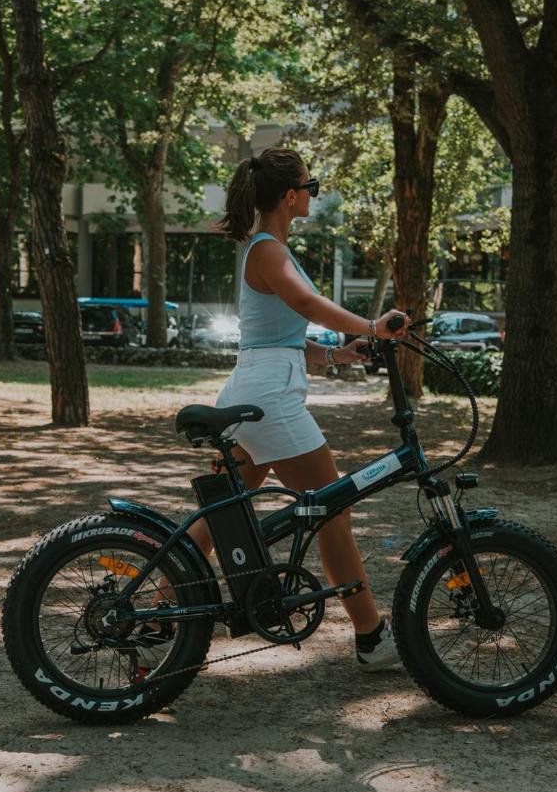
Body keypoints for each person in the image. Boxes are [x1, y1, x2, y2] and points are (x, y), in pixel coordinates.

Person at [144, 147, 410, 671]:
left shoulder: (268, 248)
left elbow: (281, 338)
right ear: (290, 197)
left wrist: (336, 354)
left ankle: (158, 608)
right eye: (310, 187)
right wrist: (374, 327)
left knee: (221, 516)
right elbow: (307, 307)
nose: (312, 194)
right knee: (331, 507)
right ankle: (372, 636)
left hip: (253, 391)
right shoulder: (268, 251)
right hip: (268, 400)